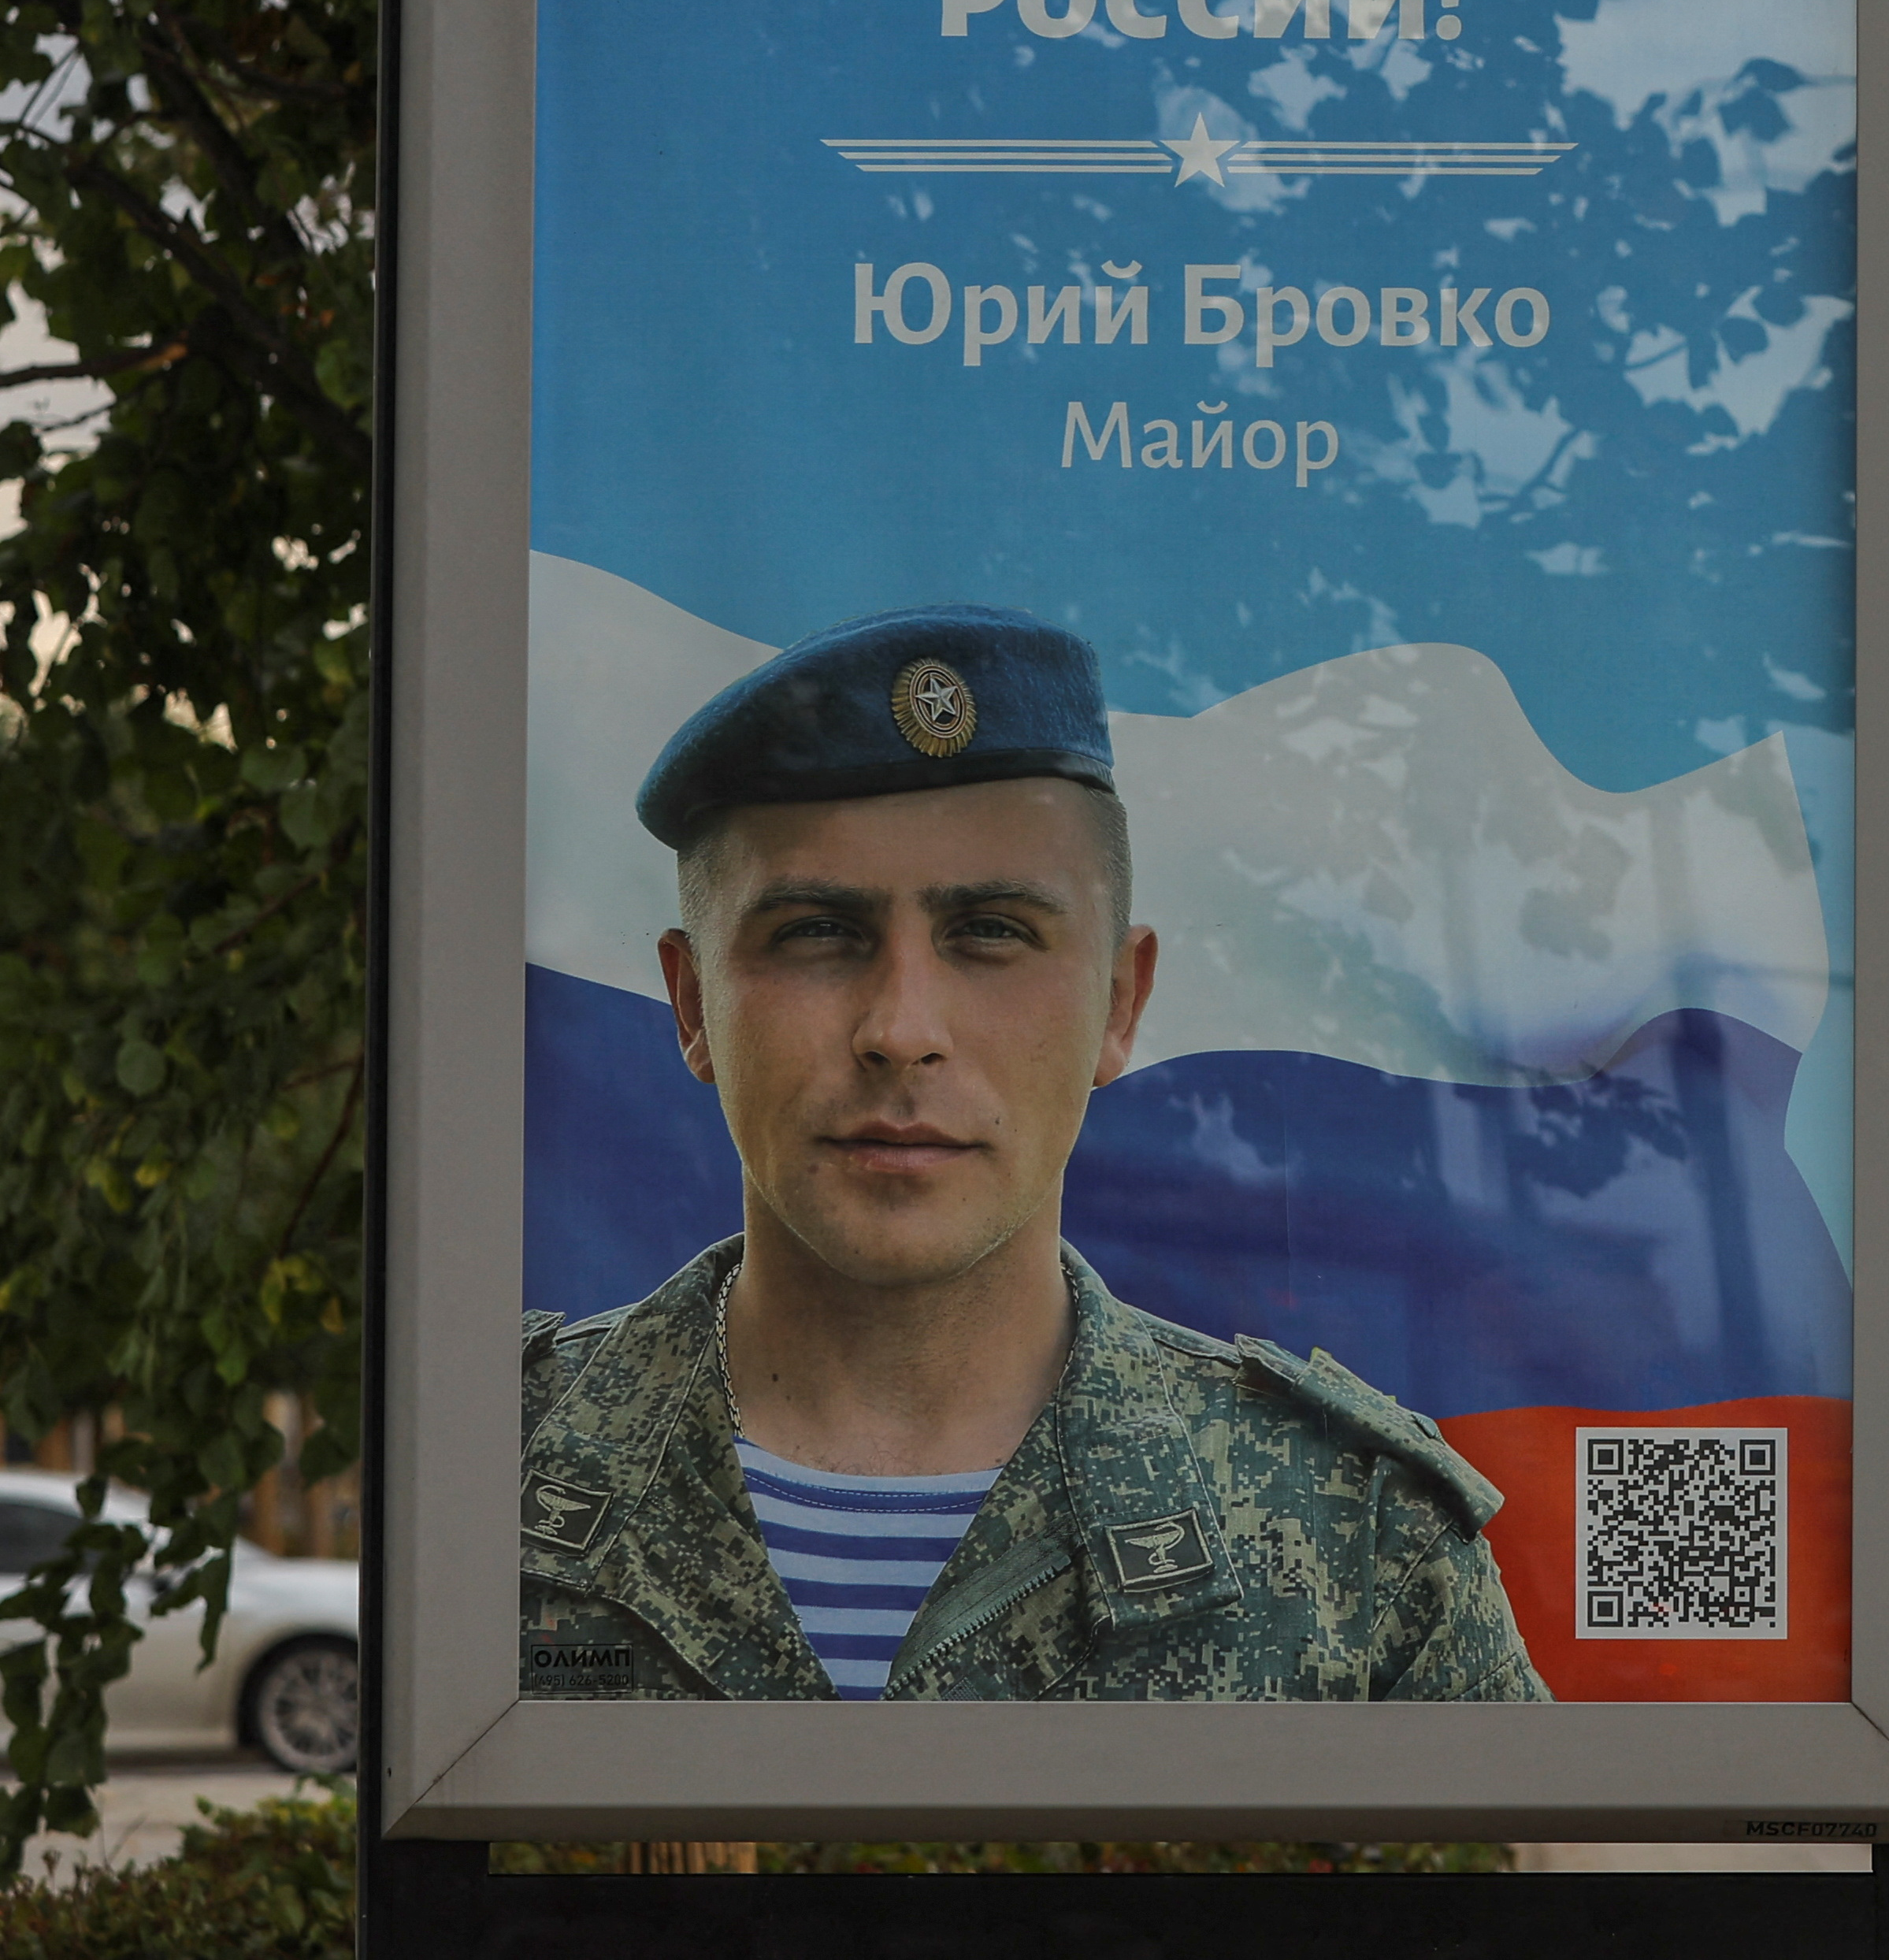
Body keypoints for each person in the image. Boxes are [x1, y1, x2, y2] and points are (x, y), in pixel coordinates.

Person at [516, 605, 1548, 1704]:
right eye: (817, 931)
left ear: (1119, 999)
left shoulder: (1362, 1549)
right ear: (690, 1003)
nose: (901, 1027)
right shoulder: (480, 1475)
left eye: (991, 932)